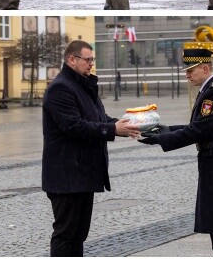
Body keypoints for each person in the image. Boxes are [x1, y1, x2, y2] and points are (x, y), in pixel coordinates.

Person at [137, 48, 213, 257]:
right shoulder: (211, 90)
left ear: (205, 68)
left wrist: (162, 139)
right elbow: (198, 126)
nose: (186, 75)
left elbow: (198, 130)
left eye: (190, 71)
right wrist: (167, 129)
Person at [42, 40, 140, 256]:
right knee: (66, 235)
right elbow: (74, 127)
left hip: (82, 175)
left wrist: (126, 124)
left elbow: (99, 119)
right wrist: (112, 129)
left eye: (92, 60)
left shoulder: (84, 85)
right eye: (88, 60)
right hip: (66, 177)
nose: (91, 65)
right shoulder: (60, 88)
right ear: (72, 60)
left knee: (78, 235)